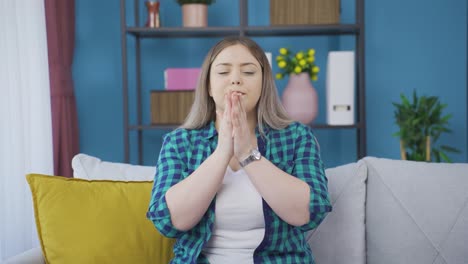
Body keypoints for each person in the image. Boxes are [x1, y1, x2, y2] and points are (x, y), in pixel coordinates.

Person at [147, 36, 332, 264]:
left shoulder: (297, 137)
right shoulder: (179, 143)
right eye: (224, 72)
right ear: (209, 86)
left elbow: (309, 212)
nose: (235, 80)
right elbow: (168, 221)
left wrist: (247, 153)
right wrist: (222, 152)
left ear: (264, 83)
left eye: (249, 72)